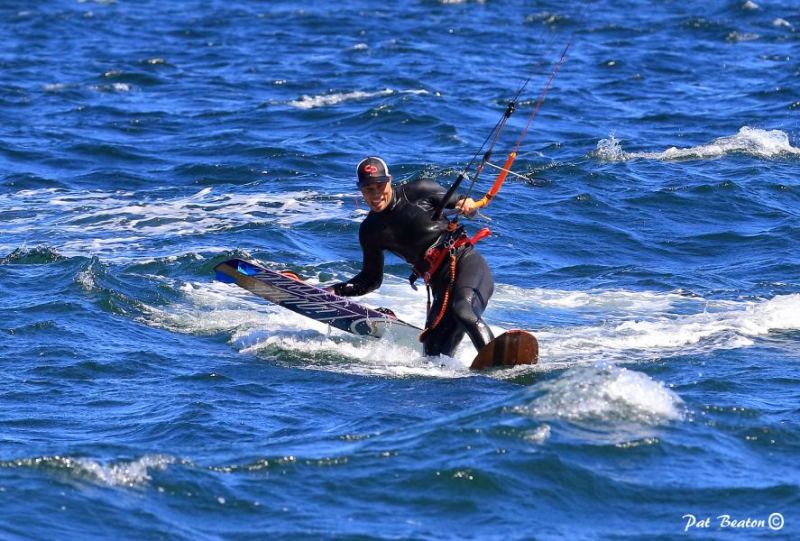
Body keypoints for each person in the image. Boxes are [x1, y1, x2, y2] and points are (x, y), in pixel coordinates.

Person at [330, 156, 495, 357]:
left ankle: (499, 363)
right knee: (433, 353)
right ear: (361, 191)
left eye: (380, 186)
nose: (376, 194)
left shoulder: (418, 191)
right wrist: (333, 291)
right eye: (368, 189)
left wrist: (467, 205)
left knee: (463, 310)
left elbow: (460, 202)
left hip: (466, 264)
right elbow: (370, 280)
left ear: (389, 181)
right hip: (439, 286)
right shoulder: (370, 230)